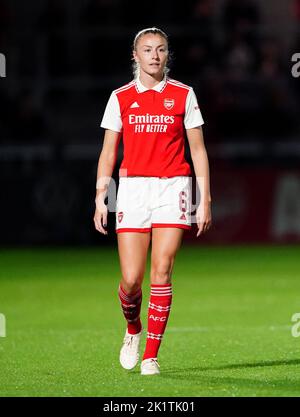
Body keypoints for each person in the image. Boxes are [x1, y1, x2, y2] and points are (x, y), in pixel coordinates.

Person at [94, 27, 212, 375]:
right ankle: (132, 329)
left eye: (160, 49)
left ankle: (151, 355)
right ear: (136, 56)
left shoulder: (183, 95)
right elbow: (107, 153)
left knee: (162, 270)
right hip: (131, 188)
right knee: (131, 278)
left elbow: (198, 150)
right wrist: (102, 196)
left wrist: (203, 199)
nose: (155, 55)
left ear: (166, 55)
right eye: (147, 50)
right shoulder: (120, 97)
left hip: (173, 186)